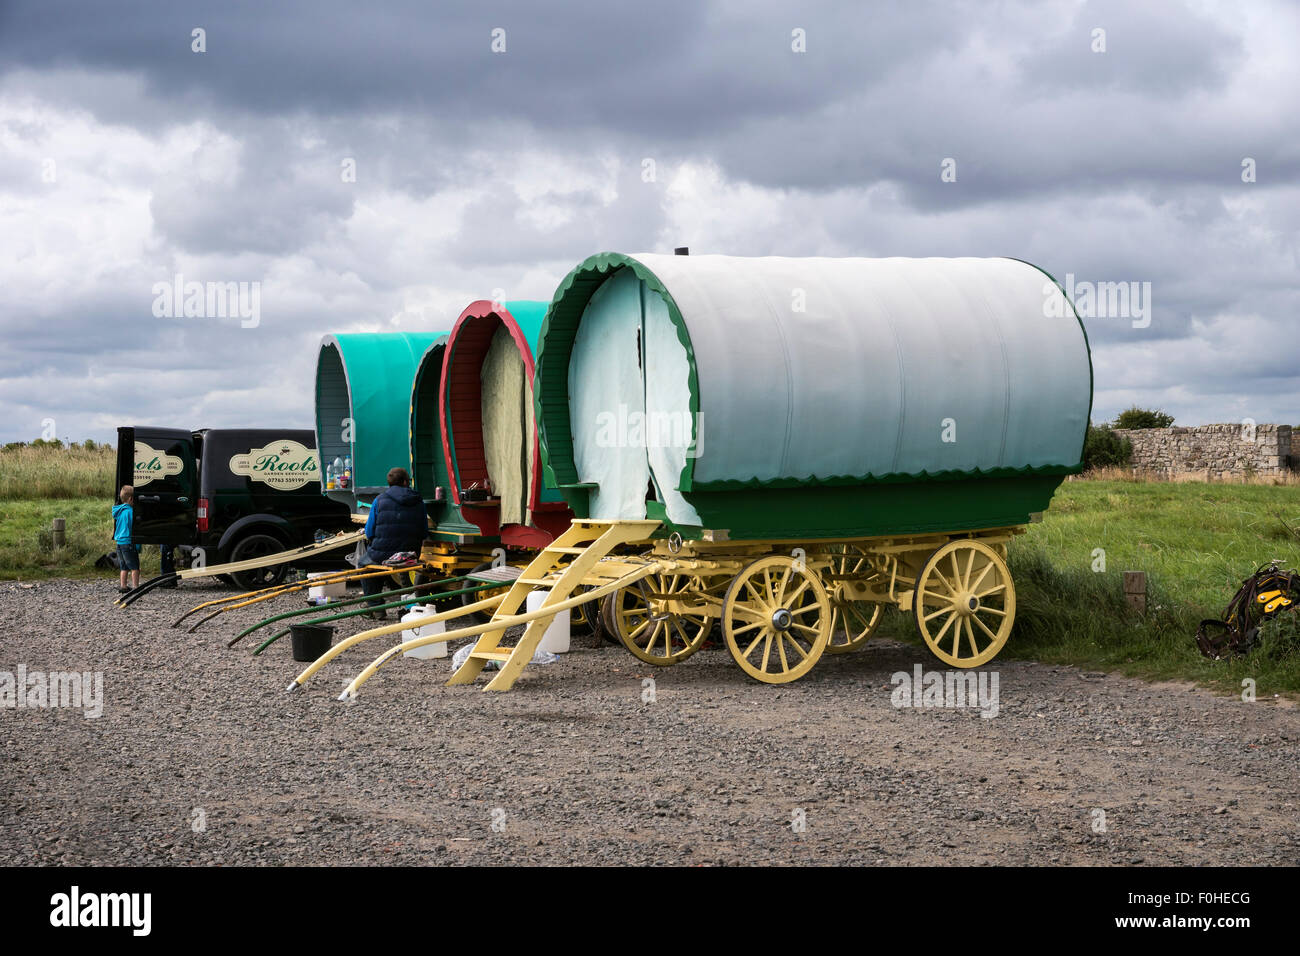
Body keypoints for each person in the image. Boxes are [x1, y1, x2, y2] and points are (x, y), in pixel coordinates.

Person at [360, 467, 429, 619]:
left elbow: (369, 531)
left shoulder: (379, 500)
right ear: (405, 482)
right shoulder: (419, 501)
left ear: (389, 483)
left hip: (383, 554)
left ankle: (376, 607)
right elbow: (424, 531)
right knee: (382, 562)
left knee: (363, 564)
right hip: (410, 554)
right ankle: (405, 605)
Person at [113, 485, 140, 592]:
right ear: (131, 499)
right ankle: (136, 587)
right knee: (135, 567)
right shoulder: (131, 512)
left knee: (123, 567)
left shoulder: (119, 511)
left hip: (119, 542)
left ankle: (123, 586)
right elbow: (133, 527)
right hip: (128, 542)